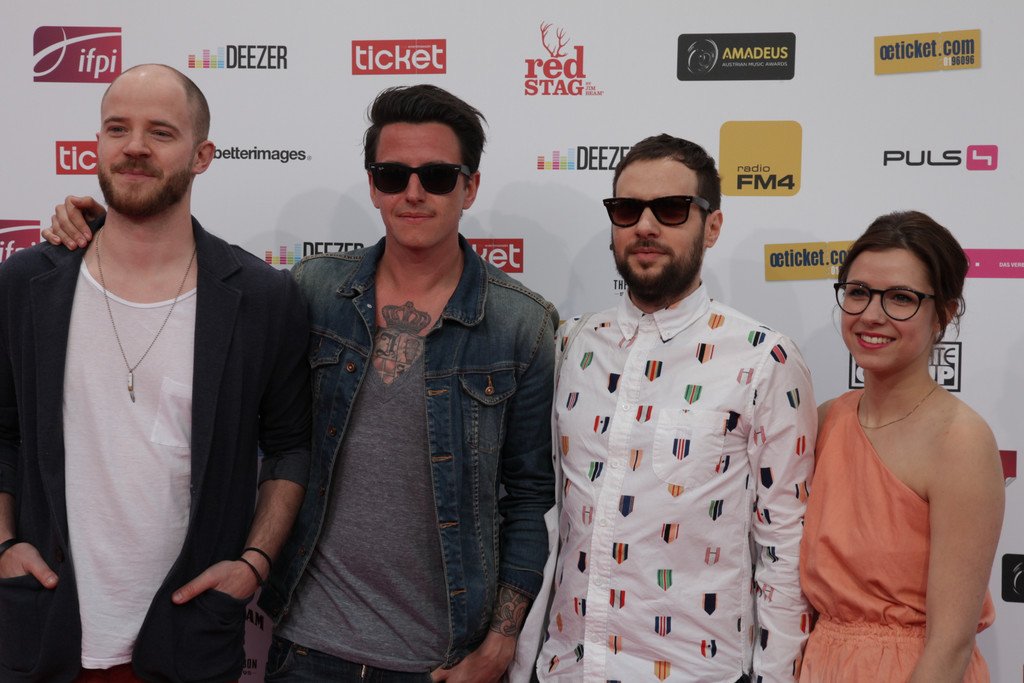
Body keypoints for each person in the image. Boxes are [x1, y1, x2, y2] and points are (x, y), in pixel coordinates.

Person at [43, 84, 558, 682]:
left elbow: (529, 498)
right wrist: (105, 222)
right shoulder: (311, 291)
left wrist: (501, 641)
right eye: (393, 175)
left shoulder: (521, 323)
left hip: (444, 656)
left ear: (470, 187)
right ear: (373, 185)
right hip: (307, 647)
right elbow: (274, 428)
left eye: (438, 177)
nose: (413, 193)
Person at [0, 64, 310, 682]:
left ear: (202, 156)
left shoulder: (262, 298)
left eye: (161, 132)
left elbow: (290, 448)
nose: (135, 146)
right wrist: (4, 545)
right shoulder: (25, 284)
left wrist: (253, 563)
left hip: (190, 641)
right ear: (97, 144)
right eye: (118, 128)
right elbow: (3, 433)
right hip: (42, 631)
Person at [518, 134, 817, 682]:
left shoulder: (763, 358)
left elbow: (785, 546)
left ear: (713, 226)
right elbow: (540, 509)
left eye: (672, 209)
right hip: (566, 667)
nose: (646, 226)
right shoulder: (570, 344)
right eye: (627, 209)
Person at [798, 211, 1003, 682]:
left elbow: (950, 646)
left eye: (901, 298)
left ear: (943, 313)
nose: (872, 314)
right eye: (858, 292)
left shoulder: (960, 440)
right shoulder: (826, 420)